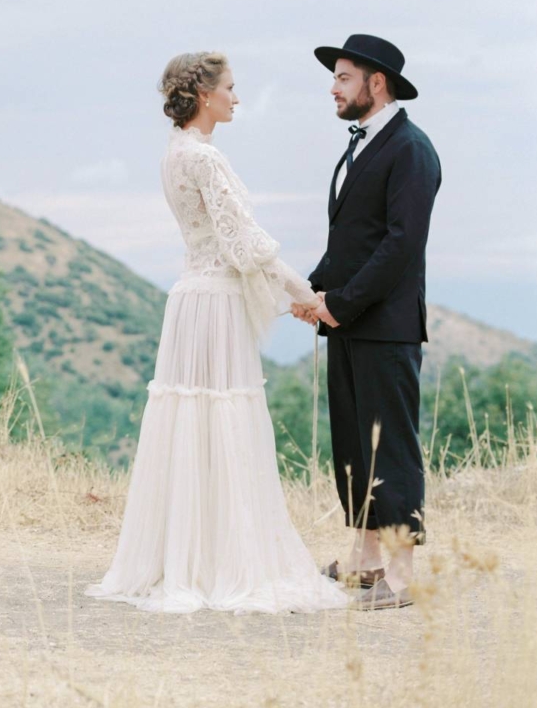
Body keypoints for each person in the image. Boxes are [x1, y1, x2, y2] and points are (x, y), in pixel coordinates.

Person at [86, 52, 347, 614]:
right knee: (223, 419)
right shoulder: (204, 159)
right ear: (204, 94)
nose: (237, 97)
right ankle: (225, 561)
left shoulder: (172, 155)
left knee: (191, 423)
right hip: (216, 302)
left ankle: (188, 556)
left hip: (190, 298)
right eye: (231, 88)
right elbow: (247, 245)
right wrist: (311, 299)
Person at [294, 34, 441, 610]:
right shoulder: (359, 148)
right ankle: (364, 559)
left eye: (343, 77)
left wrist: (341, 302)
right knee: (354, 444)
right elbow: (350, 241)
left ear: (376, 84)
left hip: (386, 325)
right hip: (349, 320)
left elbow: (401, 245)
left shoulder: (411, 149)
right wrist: (305, 292)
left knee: (392, 448)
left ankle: (403, 576)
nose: (333, 87)